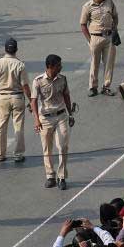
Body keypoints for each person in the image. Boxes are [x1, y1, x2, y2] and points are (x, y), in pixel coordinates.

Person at [31, 54, 73, 190]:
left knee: (63, 146)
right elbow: (33, 101)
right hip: (46, 118)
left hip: (61, 116)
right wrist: (36, 120)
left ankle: (62, 177)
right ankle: (50, 176)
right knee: (47, 148)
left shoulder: (63, 79)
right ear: (50, 67)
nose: (61, 67)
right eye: (58, 65)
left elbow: (66, 96)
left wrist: (70, 113)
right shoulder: (38, 81)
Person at [0, 38, 31, 164]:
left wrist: (1, 78)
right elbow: (25, 85)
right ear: (16, 50)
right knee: (18, 126)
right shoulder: (20, 65)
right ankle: (18, 154)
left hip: (2, 97)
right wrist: (31, 100)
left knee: (1, 126)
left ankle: (0, 154)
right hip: (17, 97)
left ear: (5, 49)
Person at [81, 0, 120, 97]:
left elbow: (115, 16)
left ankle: (106, 86)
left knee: (109, 63)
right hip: (95, 37)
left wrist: (114, 28)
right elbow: (83, 25)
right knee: (95, 63)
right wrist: (90, 40)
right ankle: (93, 87)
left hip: (109, 37)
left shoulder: (110, 2)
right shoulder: (87, 6)